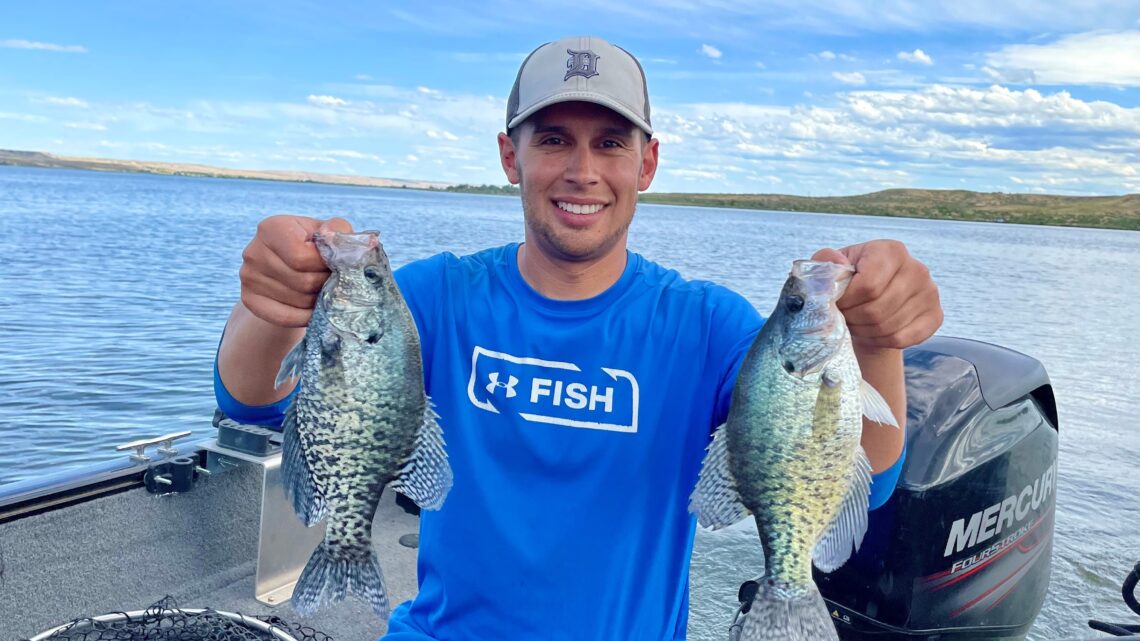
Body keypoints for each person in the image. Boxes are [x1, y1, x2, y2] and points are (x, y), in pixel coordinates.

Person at [215, 35, 942, 641]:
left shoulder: (704, 323)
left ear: (646, 164)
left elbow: (865, 478)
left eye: (610, 143)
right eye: (555, 139)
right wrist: (273, 303)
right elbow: (252, 400)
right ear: (511, 157)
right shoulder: (434, 295)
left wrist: (878, 340)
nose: (583, 170)